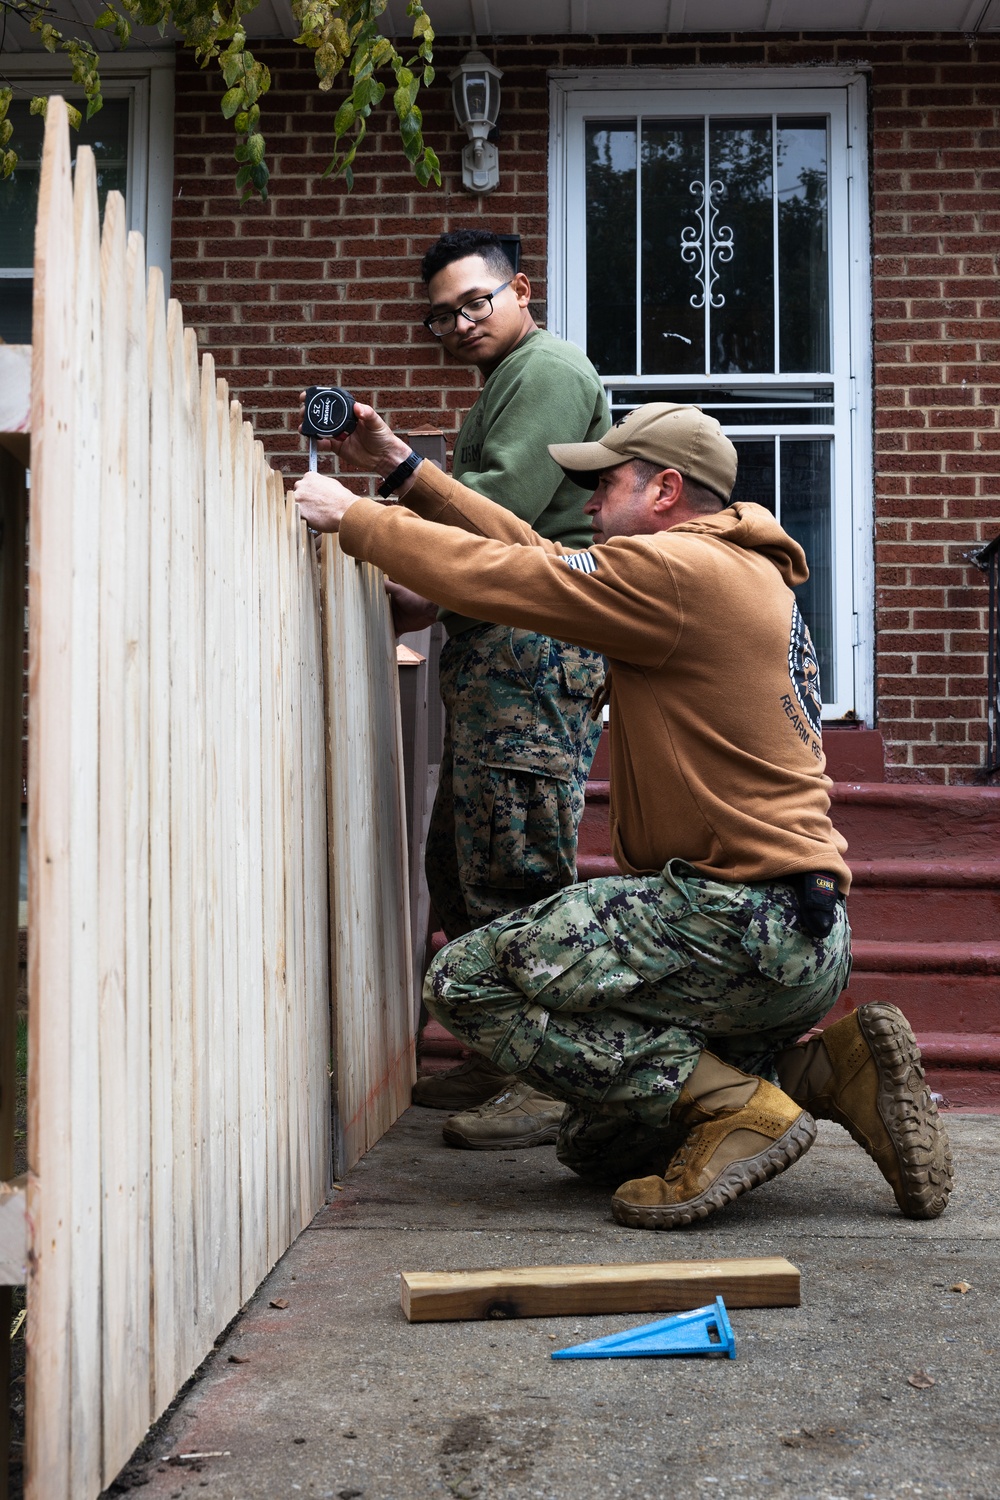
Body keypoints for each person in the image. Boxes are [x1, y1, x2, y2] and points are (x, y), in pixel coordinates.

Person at [291, 400, 954, 1227]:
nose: (587, 505)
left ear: (668, 489)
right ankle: (822, 1075)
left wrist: (357, 518)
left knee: (468, 979)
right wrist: (405, 474)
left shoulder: (678, 573)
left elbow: (516, 578)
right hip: (802, 936)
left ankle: (737, 1106)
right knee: (596, 1149)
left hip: (725, 918)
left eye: (604, 484)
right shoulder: (737, 571)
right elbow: (538, 555)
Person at [311, 229, 612, 1150]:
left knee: (519, 861)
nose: (458, 323)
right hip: (498, 647)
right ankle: (501, 1051)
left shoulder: (548, 370)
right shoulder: (505, 382)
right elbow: (479, 537)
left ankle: (552, 1079)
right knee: (466, 859)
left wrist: (384, 499)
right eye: (441, 314)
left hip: (538, 648)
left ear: (521, 289)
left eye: (474, 302)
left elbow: (505, 511)